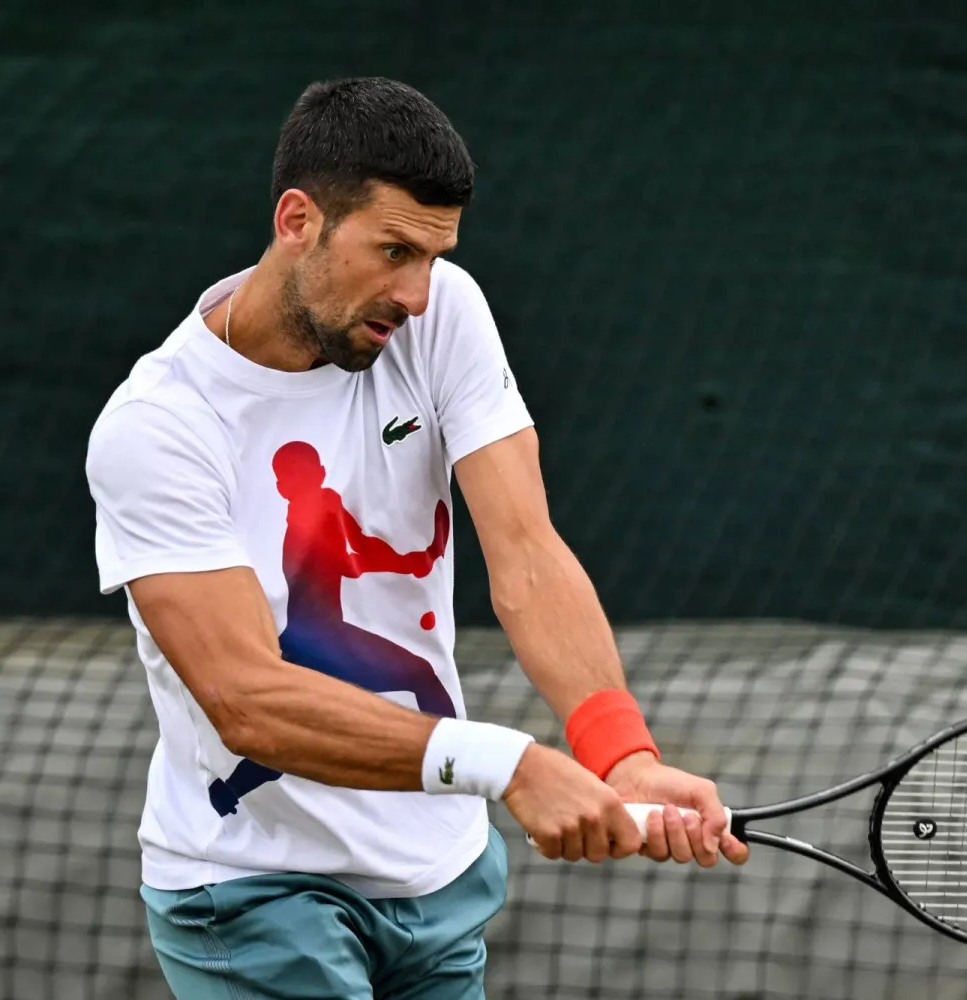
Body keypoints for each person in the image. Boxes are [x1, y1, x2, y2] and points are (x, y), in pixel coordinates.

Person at [84, 76, 747, 1000]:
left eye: (435, 256)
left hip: (438, 877)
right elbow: (248, 701)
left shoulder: (443, 320)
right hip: (255, 890)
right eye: (394, 251)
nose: (420, 293)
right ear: (297, 220)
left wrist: (618, 750)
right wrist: (506, 762)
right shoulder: (158, 427)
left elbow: (526, 554)